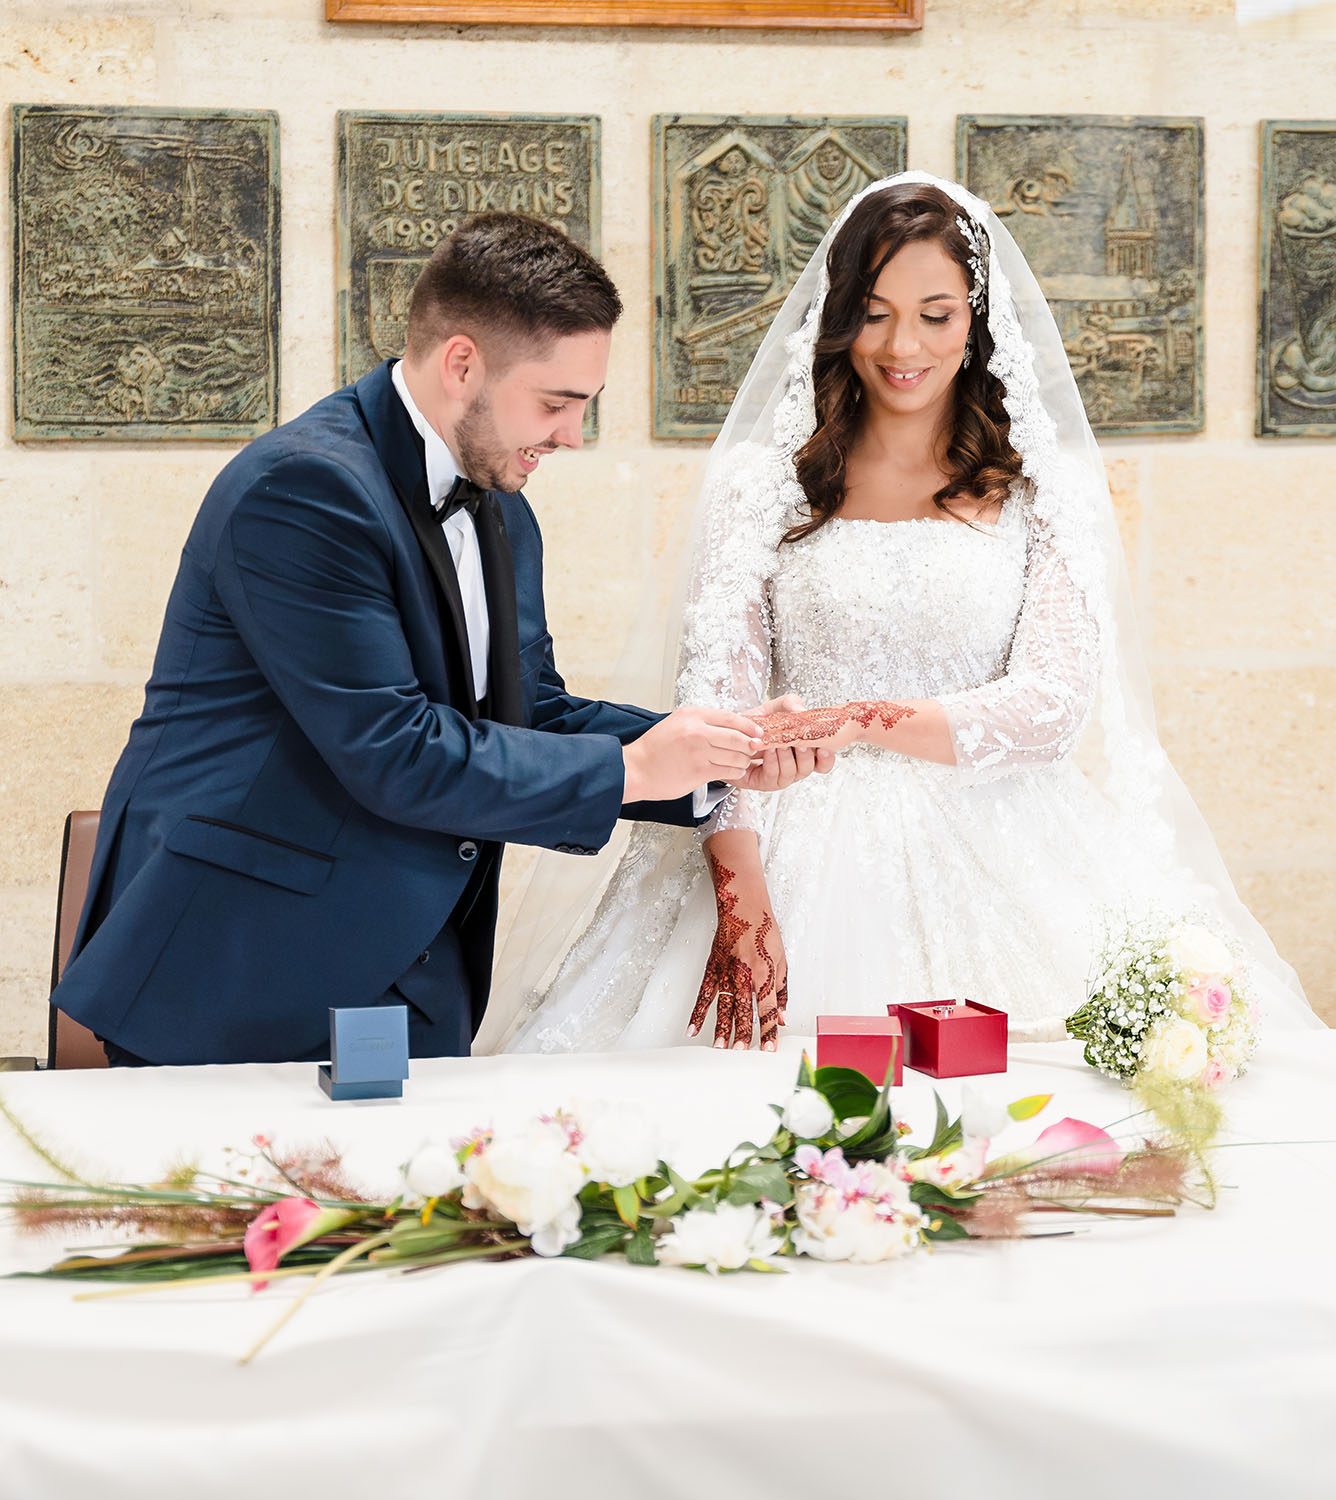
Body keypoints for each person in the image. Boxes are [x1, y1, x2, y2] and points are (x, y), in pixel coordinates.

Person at [497, 172, 1319, 1055]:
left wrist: (856, 720)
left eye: (936, 313)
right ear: (841, 315)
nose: (904, 346)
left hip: (1000, 842)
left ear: (976, 319)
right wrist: (740, 901)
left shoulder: (1044, 494)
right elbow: (716, 707)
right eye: (877, 312)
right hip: (774, 831)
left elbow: (1051, 706)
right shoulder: (759, 485)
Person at [52, 212, 830, 1066]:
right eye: (556, 403)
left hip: (420, 973)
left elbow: (526, 712)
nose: (572, 435)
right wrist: (636, 768)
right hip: (241, 969)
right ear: (463, 363)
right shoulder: (304, 489)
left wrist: (717, 752)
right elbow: (391, 748)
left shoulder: (505, 507)